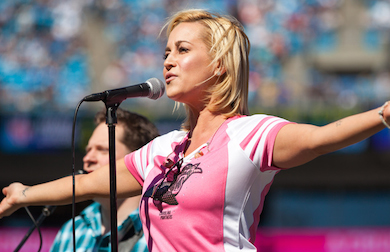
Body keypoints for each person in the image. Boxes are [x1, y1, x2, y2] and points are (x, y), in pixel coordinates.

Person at [1, 9, 389, 252]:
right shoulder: (163, 148)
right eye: (167, 52)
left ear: (219, 64)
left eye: (183, 50)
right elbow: (87, 184)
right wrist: (24, 194)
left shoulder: (251, 135)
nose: (168, 61)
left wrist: (383, 115)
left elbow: (323, 137)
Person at [49, 108, 158, 252]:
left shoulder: (163, 228)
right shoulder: (71, 230)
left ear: (138, 162)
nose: (87, 158)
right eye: (88, 150)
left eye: (102, 150)